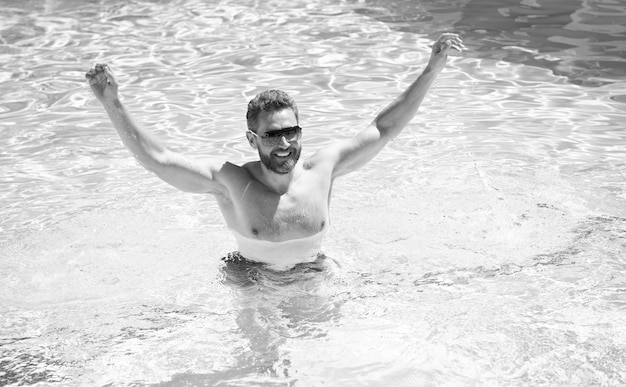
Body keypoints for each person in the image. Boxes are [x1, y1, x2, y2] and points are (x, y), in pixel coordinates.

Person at [85, 33, 465, 270]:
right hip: (250, 278)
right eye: (272, 136)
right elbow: (158, 160)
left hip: (312, 271)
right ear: (252, 140)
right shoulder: (231, 181)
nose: (284, 144)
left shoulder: (323, 169)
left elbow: (383, 128)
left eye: (291, 132)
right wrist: (112, 104)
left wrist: (431, 70)